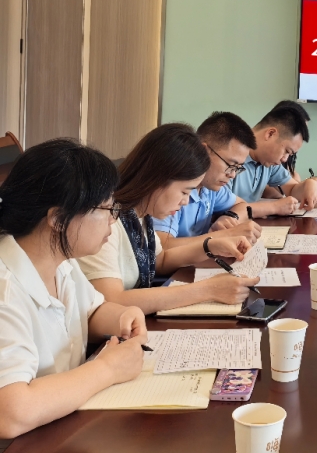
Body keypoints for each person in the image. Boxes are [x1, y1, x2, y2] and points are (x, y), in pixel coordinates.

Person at [0, 139, 146, 440]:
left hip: (61, 426)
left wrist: (122, 316)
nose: (113, 219)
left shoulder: (61, 261)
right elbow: (11, 413)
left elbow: (88, 311)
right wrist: (108, 369)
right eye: (106, 208)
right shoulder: (5, 289)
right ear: (57, 219)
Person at [77, 124, 260, 315]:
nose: (185, 201)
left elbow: (160, 259)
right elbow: (112, 301)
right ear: (157, 178)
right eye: (185, 191)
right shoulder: (105, 220)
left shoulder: (139, 214)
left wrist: (210, 246)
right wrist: (209, 290)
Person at [153, 111, 262, 248]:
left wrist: (229, 218)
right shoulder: (173, 187)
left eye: (238, 168)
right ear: (204, 151)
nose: (233, 175)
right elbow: (161, 247)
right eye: (231, 165)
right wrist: (224, 235)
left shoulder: (209, 187)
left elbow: (243, 205)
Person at [227, 101, 317, 213]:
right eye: (286, 151)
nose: (285, 159)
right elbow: (222, 206)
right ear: (270, 134)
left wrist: (309, 185)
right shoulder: (229, 154)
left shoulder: (267, 162)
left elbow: (292, 189)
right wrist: (273, 207)